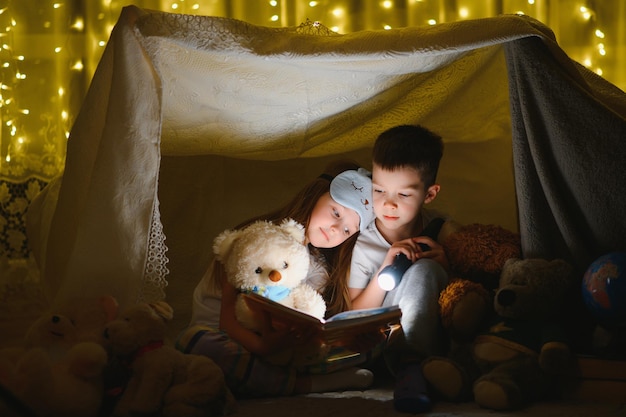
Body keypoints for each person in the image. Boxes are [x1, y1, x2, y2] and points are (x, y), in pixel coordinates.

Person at [176, 160, 379, 397]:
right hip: (228, 337)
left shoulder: (320, 268)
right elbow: (227, 322)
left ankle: (268, 378)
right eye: (336, 212)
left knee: (373, 346)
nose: (335, 229)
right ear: (316, 194)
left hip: (280, 350)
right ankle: (304, 385)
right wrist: (262, 346)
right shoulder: (258, 239)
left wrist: (338, 340)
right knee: (194, 341)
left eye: (347, 230)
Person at [348, 125, 453, 413]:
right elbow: (352, 313)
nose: (388, 203)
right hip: (382, 342)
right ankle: (410, 366)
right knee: (422, 272)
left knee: (427, 271)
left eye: (404, 195)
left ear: (429, 194)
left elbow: (464, 296)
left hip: (436, 337)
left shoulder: (441, 230)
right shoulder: (365, 244)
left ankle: (435, 366)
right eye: (379, 190)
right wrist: (385, 267)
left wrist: (446, 267)